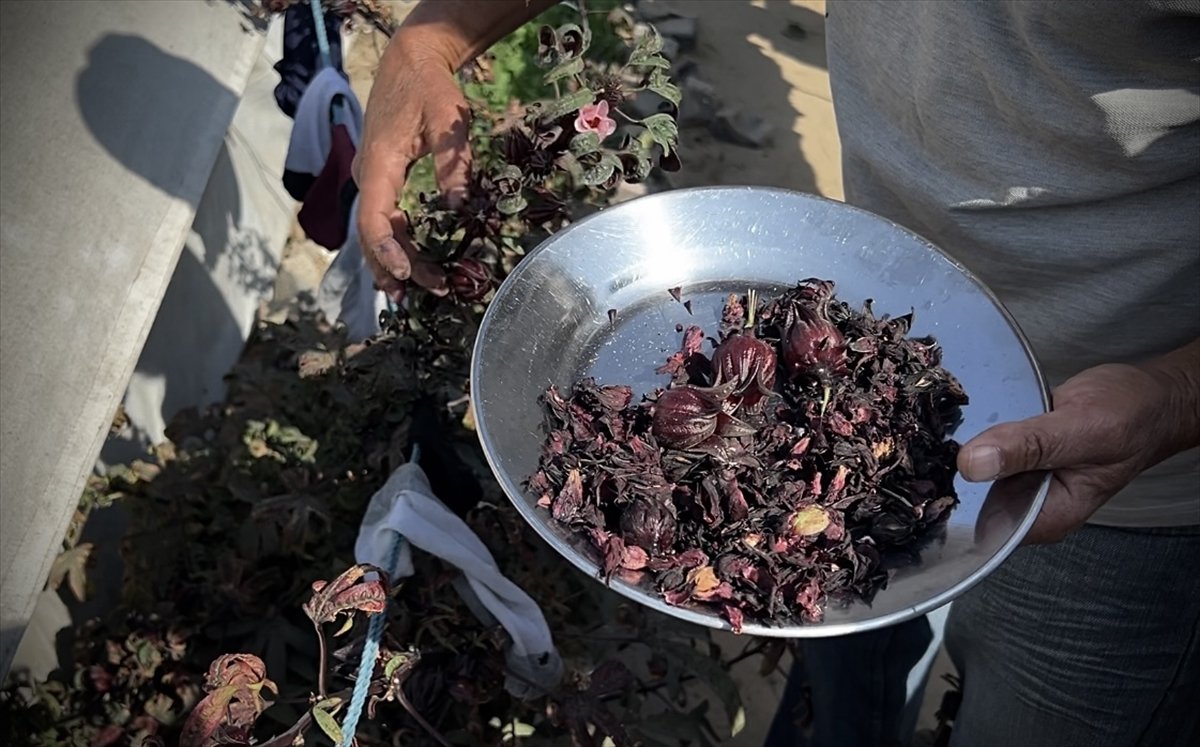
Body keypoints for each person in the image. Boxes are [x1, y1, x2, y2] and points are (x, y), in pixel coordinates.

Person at [353, 1, 1200, 745]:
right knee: (842, 673)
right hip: (879, 314)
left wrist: (1175, 397)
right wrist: (435, 39)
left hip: (1131, 478)